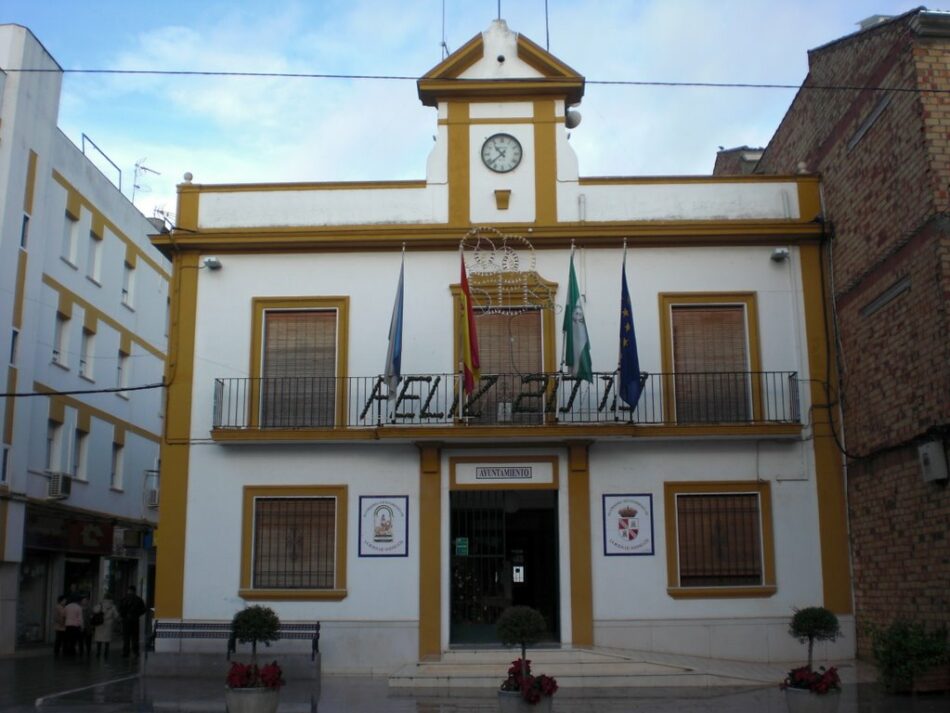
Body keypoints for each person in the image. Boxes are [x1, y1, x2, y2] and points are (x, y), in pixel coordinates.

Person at [118, 585, 146, 657]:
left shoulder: (124, 599)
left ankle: (126, 652)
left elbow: (120, 610)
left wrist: (124, 615)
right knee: (135, 637)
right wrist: (137, 614)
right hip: (135, 620)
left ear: (128, 590)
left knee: (126, 637)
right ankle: (135, 652)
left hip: (126, 621)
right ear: (135, 591)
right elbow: (144, 609)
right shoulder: (138, 599)